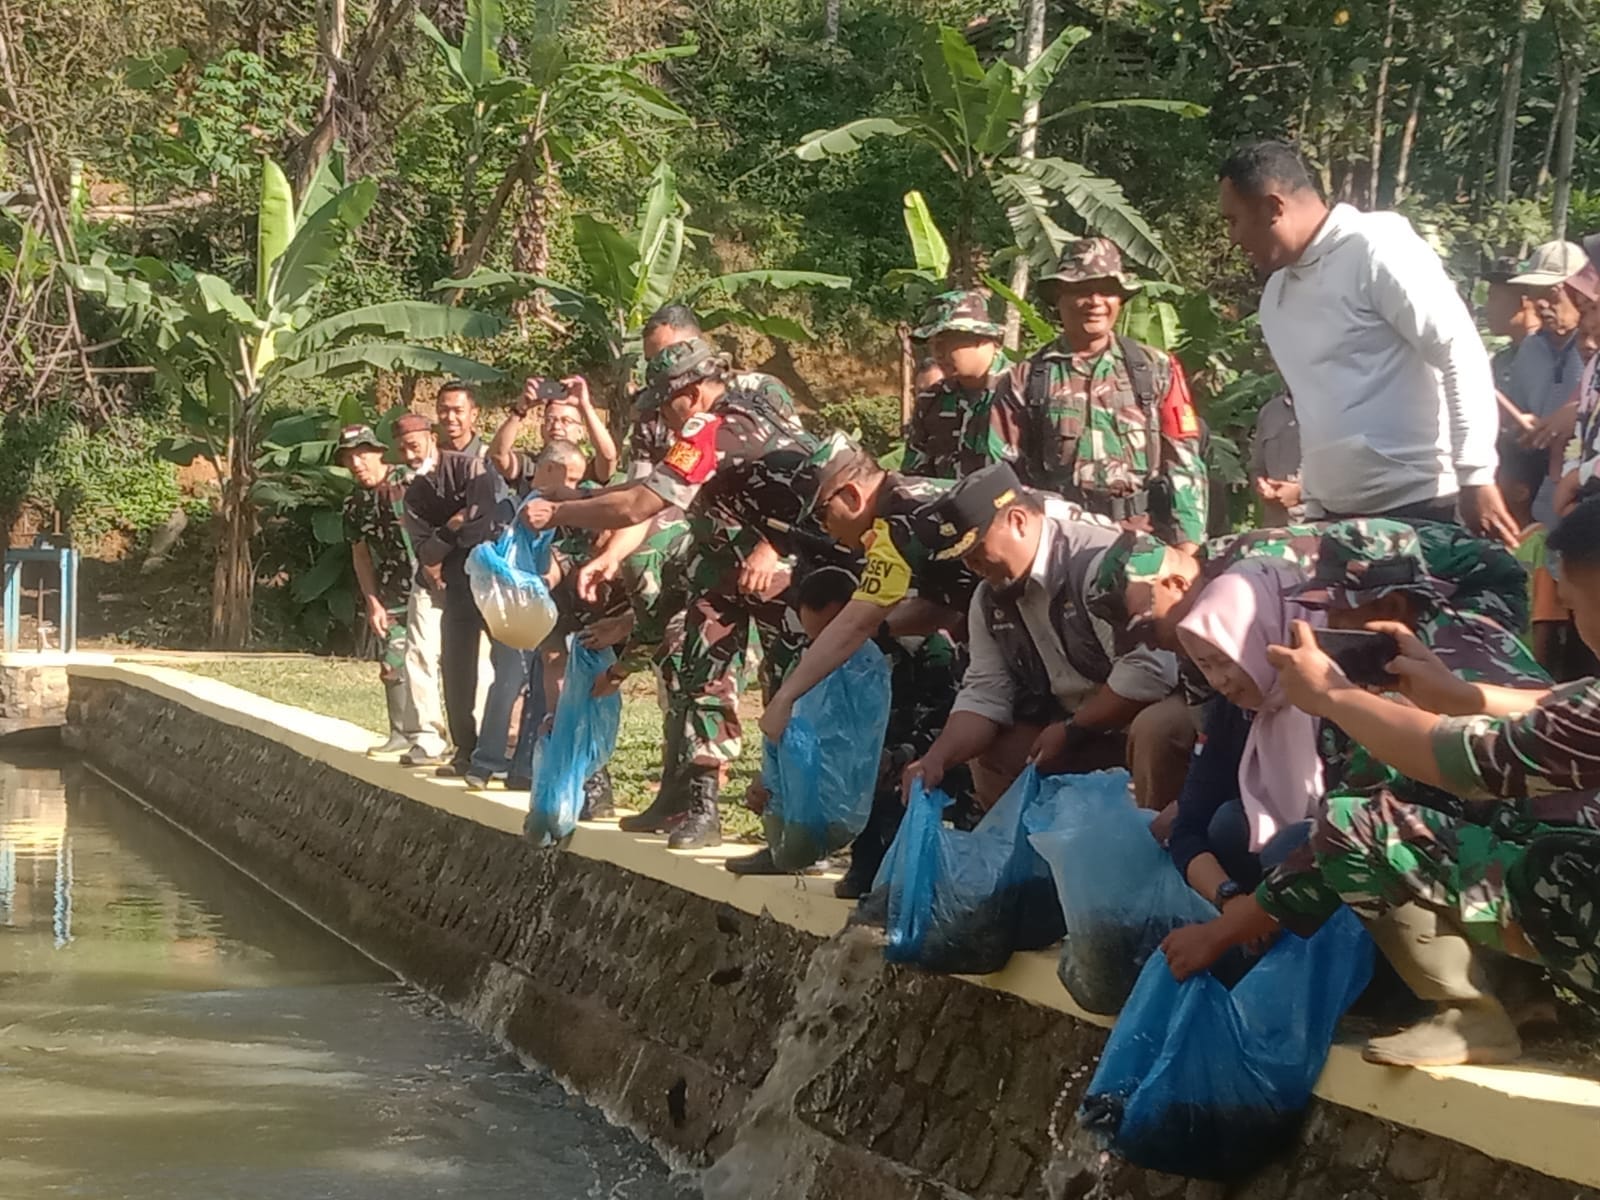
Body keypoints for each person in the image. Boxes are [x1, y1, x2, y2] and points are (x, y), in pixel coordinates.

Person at [524, 337, 837, 850]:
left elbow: (641, 505)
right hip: (724, 560)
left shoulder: (715, 421)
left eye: (665, 407)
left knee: (790, 689)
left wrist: (560, 511)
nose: (664, 422)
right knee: (704, 670)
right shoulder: (750, 394)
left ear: (688, 394)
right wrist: (578, 497)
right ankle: (702, 806)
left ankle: (800, 824)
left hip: (790, 562)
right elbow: (646, 490)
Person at [1217, 140, 1515, 543]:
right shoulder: (1276, 298)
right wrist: (1314, 499)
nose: (1233, 238)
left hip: (1423, 506)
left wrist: (1475, 473)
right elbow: (1319, 413)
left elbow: (1457, 351)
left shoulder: (1375, 250)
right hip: (1331, 518)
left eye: (1234, 220)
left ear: (1273, 207)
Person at [756, 443, 975, 894]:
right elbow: (948, 604)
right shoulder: (918, 502)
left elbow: (857, 620)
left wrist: (786, 697)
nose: (826, 531)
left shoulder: (898, 524)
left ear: (852, 495)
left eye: (822, 515)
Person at [902, 464, 1181, 811]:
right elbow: (986, 692)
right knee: (993, 751)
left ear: (1018, 521)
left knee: (1158, 729)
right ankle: (1029, 845)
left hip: (1141, 713)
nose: (971, 565)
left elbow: (1149, 671)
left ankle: (1158, 839)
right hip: (1071, 725)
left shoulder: (1098, 566)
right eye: (963, 557)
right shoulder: (987, 598)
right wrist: (936, 759)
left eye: (976, 549)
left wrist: (1074, 728)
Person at [991, 237, 1208, 547]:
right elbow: (1001, 474)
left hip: (1141, 540)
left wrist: (1188, 546)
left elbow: (1184, 463)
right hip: (1057, 540)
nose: (1095, 301)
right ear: (1059, 297)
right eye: (1081, 290)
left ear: (1120, 299)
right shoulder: (1024, 379)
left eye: (1106, 290)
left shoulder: (1155, 369)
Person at [1168, 560, 1323, 911]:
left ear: (1268, 636)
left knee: (1289, 843)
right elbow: (1188, 825)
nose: (1217, 681)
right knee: (1228, 823)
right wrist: (1227, 896)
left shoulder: (1332, 700)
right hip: (1263, 890)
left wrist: (1245, 920)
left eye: (1225, 660)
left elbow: (1347, 835)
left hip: (1345, 864)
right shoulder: (1235, 708)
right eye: (1205, 665)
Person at [729, 565, 867, 877]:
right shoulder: (801, 657)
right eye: (814, 637)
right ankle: (795, 848)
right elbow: (791, 726)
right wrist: (771, 777)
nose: (823, 649)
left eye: (831, 635)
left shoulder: (881, 662)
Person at [398, 411, 501, 776]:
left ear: (432, 437)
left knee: (507, 666)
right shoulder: (413, 495)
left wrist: (449, 538)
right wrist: (452, 526)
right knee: (457, 670)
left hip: (493, 581)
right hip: (455, 587)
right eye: (402, 449)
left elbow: (483, 520)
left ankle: (504, 750)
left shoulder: (470, 467)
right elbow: (425, 552)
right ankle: (465, 750)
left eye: (413, 445)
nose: (409, 455)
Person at [337, 423, 423, 757]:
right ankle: (401, 733)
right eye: (349, 458)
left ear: (378, 453)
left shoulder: (410, 481)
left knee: (439, 663)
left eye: (362, 454)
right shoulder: (354, 502)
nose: (356, 463)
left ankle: (446, 738)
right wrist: (373, 602)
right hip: (392, 593)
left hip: (433, 586)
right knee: (392, 663)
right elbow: (360, 555)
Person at [1502, 241, 1591, 524]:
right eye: (1534, 293)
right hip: (1543, 498)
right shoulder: (1530, 349)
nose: (1541, 304)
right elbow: (1515, 414)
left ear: (1580, 293)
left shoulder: (1592, 347)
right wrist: (1522, 428)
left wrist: (1577, 413)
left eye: (1552, 293)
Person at [899, 290, 1013, 479]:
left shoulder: (1023, 391)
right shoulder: (932, 400)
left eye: (946, 342)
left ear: (980, 338)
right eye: (932, 344)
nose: (937, 353)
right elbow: (914, 476)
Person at [490, 375, 618, 488]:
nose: (556, 426)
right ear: (541, 430)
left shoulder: (586, 469)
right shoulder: (529, 465)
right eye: (550, 420)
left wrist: (586, 407)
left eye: (566, 421)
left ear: (581, 432)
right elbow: (498, 455)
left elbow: (608, 457)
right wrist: (519, 411)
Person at [1249, 391, 1302, 526]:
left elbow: (1346, 473)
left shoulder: (1332, 409)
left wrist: (1301, 491)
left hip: (1320, 525)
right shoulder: (1270, 411)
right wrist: (1262, 486)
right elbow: (1257, 467)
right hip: (1277, 525)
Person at [436, 380, 487, 458]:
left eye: (458, 411)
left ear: (474, 414)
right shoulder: (430, 456)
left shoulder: (486, 458)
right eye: (444, 410)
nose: (450, 418)